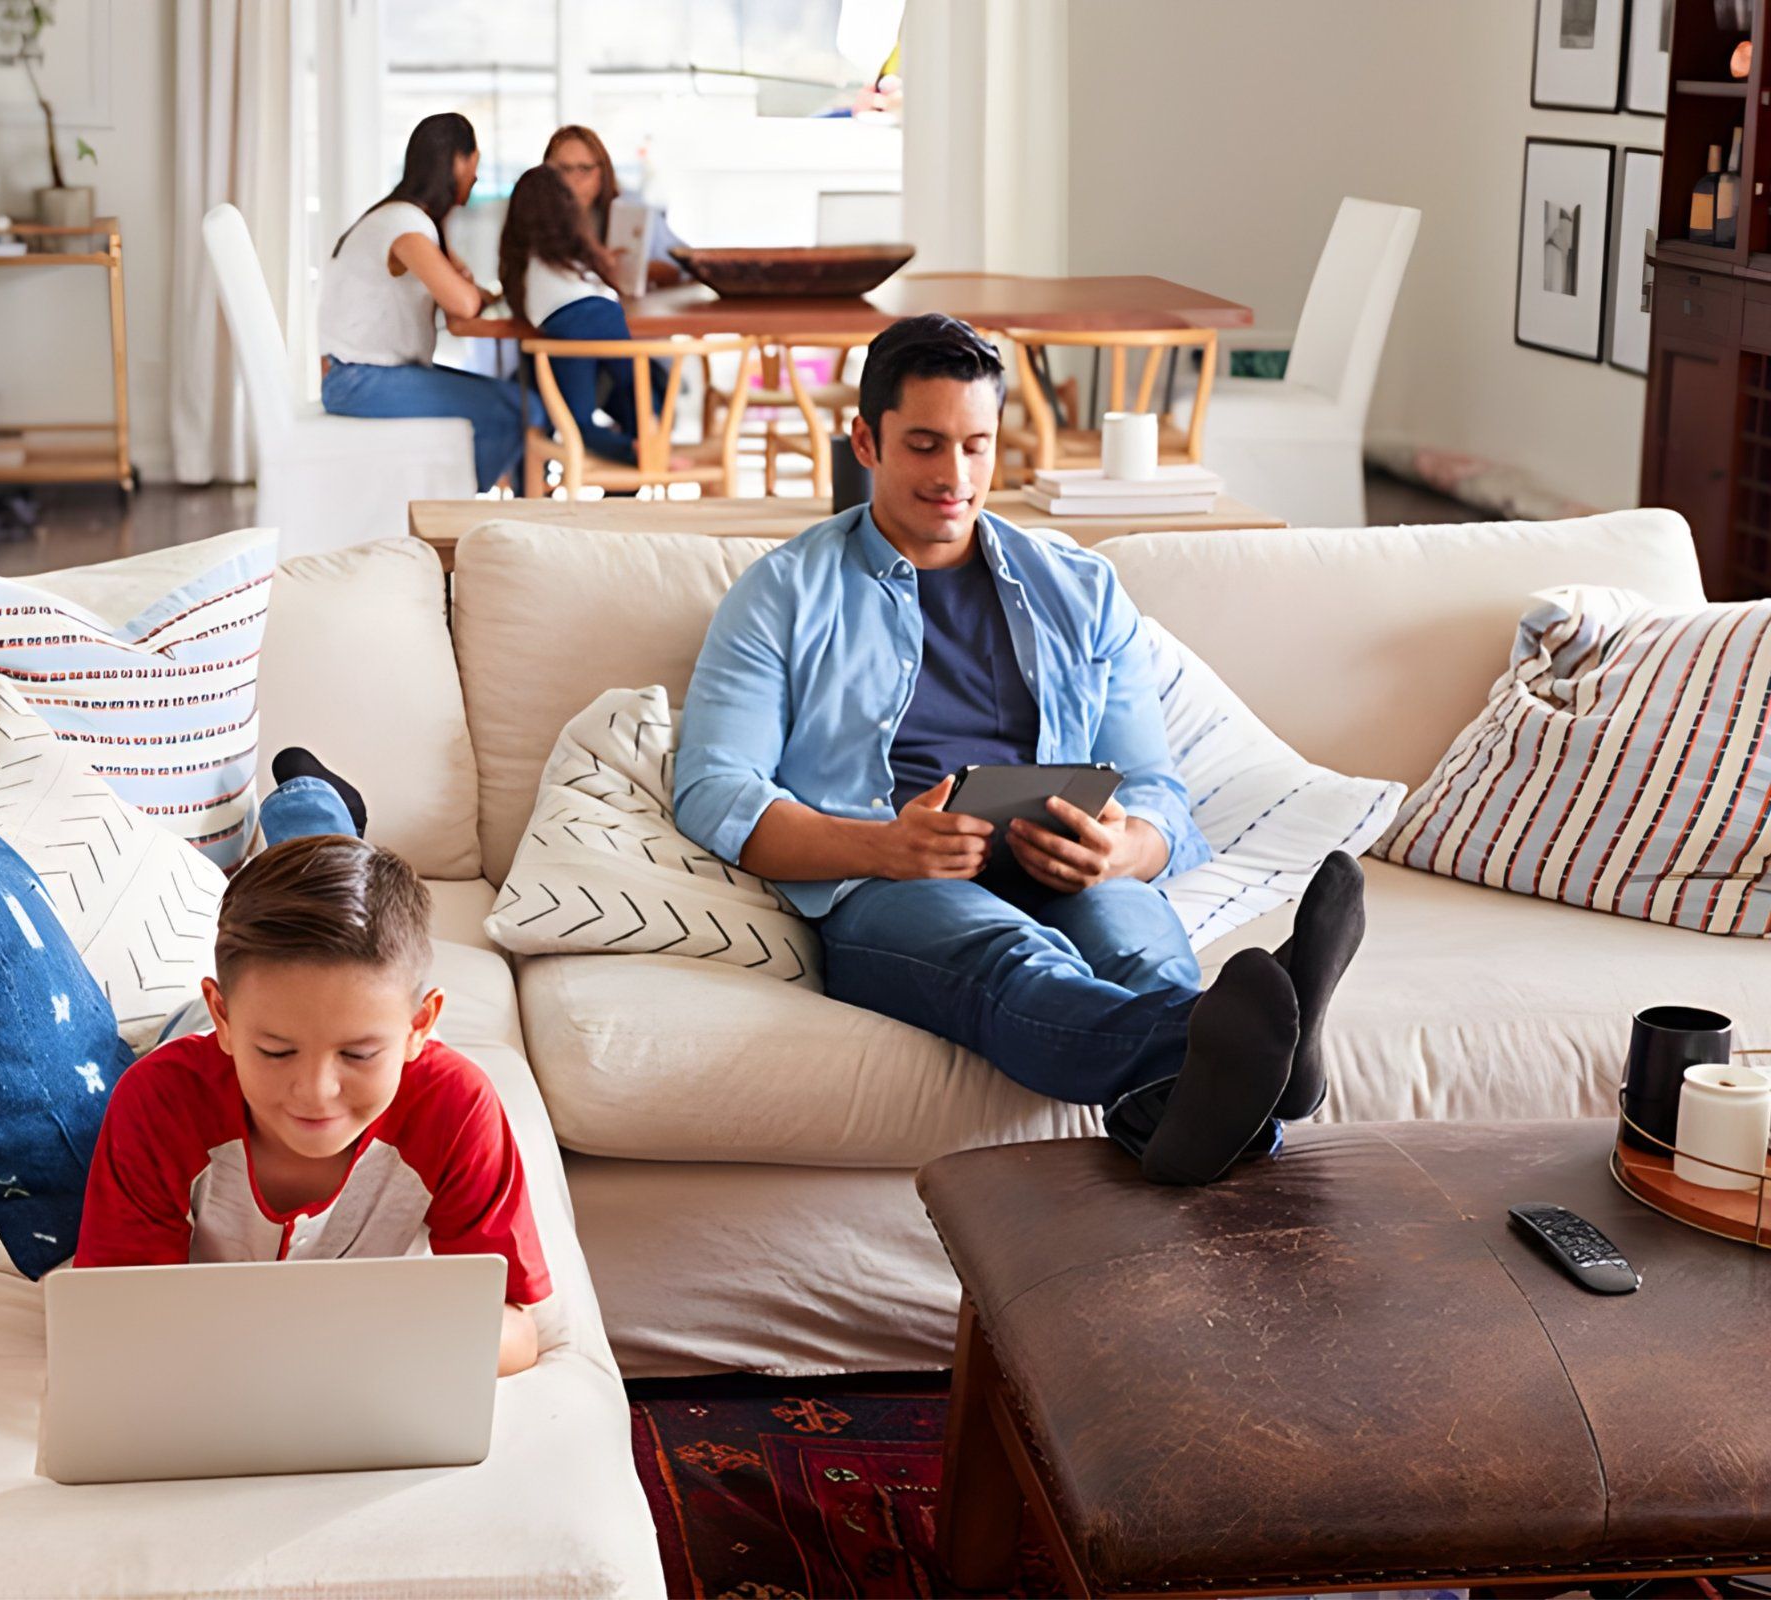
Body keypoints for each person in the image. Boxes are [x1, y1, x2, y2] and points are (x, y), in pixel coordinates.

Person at [670, 315, 1368, 1186]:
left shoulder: (1080, 589)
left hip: (1064, 870)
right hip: (890, 888)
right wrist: (884, 846)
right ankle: (1278, 1057)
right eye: (924, 445)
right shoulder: (784, 593)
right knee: (1013, 959)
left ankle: (1213, 1094)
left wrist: (1120, 849)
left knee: (1141, 953)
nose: (954, 477)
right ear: (867, 441)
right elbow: (713, 787)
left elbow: (1156, 788)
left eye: (976, 446)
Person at [74, 749, 549, 1377]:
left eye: (358, 1054)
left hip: (329, 1015)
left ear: (418, 1028)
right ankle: (318, 818)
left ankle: (321, 813)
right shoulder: (159, 1096)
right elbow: (117, 1318)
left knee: (334, 893)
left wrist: (344, 1355)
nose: (316, 1092)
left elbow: (515, 1326)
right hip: (183, 1028)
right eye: (276, 1052)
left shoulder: (456, 1104)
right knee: (307, 900)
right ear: (223, 1019)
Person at [319, 112, 528, 493]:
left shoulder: (402, 218)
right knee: (520, 408)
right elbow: (463, 304)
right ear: (458, 162)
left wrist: (469, 286)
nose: (476, 177)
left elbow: (463, 295)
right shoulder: (405, 226)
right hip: (360, 380)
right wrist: (469, 288)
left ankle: (457, 503)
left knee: (516, 403)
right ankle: (453, 509)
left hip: (360, 375)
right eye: (475, 163)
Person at [497, 164, 671, 471]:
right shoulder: (576, 253)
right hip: (606, 314)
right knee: (637, 390)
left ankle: (632, 452)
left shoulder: (525, 263)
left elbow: (526, 310)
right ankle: (652, 443)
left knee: (577, 423)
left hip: (565, 326)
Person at [543, 124, 686, 291]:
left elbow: (682, 268)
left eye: (584, 169)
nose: (572, 181)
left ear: (602, 173)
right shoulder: (535, 220)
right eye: (562, 170)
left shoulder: (631, 208)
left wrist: (637, 270)